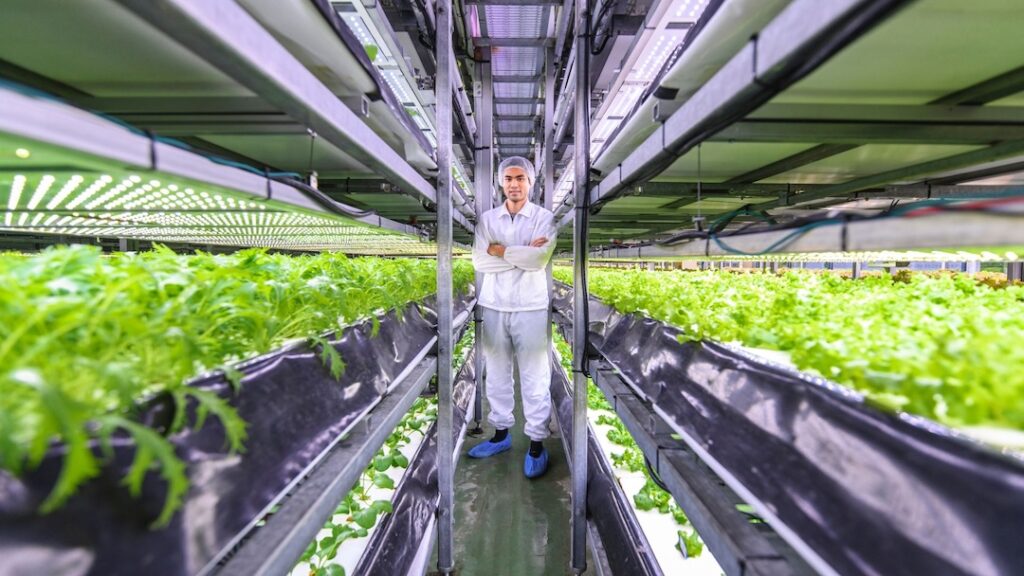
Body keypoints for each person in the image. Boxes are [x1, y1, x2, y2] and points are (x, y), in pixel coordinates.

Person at [468, 155, 557, 479]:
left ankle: (536, 443)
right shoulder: (488, 220)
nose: (514, 184)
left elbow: (538, 261)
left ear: (530, 182)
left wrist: (500, 250)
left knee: (535, 376)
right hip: (494, 305)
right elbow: (479, 262)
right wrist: (521, 252)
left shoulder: (544, 219)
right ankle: (501, 435)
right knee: (497, 373)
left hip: (531, 307)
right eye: (508, 178)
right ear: (500, 182)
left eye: (520, 178)